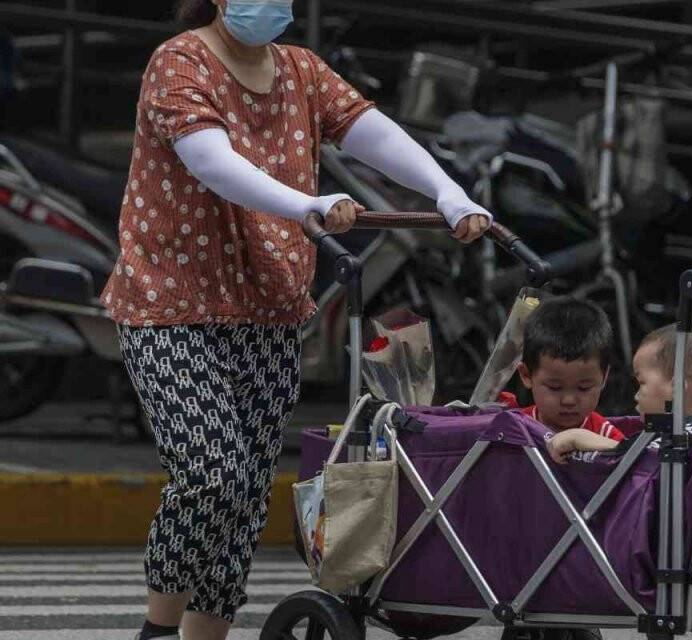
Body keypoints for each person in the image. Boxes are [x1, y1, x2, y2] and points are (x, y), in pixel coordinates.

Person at [109, 2, 491, 639]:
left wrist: (445, 190)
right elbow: (209, 160)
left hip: (269, 303)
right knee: (212, 473)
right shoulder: (179, 60)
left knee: (247, 491)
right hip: (170, 302)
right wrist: (308, 202)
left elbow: (371, 131)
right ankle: (157, 629)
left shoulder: (301, 71)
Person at [546, 323, 692, 463]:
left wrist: (581, 437)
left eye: (641, 383)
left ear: (677, 388)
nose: (636, 395)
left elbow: (649, 461)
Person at [515, 298, 625, 453]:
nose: (569, 400)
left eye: (583, 388)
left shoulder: (604, 434)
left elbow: (630, 458)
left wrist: (582, 439)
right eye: (555, 387)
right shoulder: (514, 428)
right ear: (526, 375)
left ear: (604, 377)